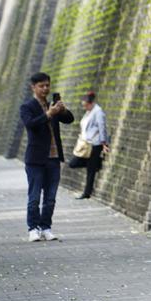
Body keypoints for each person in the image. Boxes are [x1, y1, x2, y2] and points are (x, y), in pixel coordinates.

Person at [19, 72, 74, 242]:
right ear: (33, 87)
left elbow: (69, 119)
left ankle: (46, 227)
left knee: (50, 198)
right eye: (41, 86)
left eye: (47, 85)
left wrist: (62, 110)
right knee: (34, 198)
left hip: (54, 158)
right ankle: (33, 228)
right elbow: (30, 124)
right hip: (35, 160)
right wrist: (49, 114)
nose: (45, 89)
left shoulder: (53, 105)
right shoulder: (27, 107)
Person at [70, 91, 110, 199]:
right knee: (73, 163)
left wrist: (104, 143)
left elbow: (102, 128)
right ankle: (95, 164)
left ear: (91, 103)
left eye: (85, 105)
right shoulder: (89, 112)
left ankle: (86, 193)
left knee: (90, 171)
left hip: (95, 145)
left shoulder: (98, 112)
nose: (84, 107)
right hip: (85, 144)